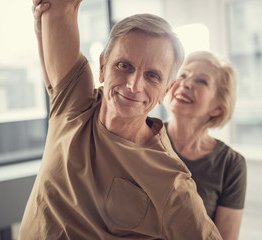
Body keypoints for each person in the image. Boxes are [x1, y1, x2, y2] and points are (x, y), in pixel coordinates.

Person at [19, 0, 222, 239]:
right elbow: (58, 7)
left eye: (152, 76)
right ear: (103, 66)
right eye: (124, 65)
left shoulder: (171, 180)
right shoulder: (73, 101)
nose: (133, 85)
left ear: (166, 91)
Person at [164, 51, 247, 240]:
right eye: (182, 75)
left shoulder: (232, 164)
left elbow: (225, 237)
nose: (185, 83)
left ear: (218, 107)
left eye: (201, 81)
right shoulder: (143, 136)